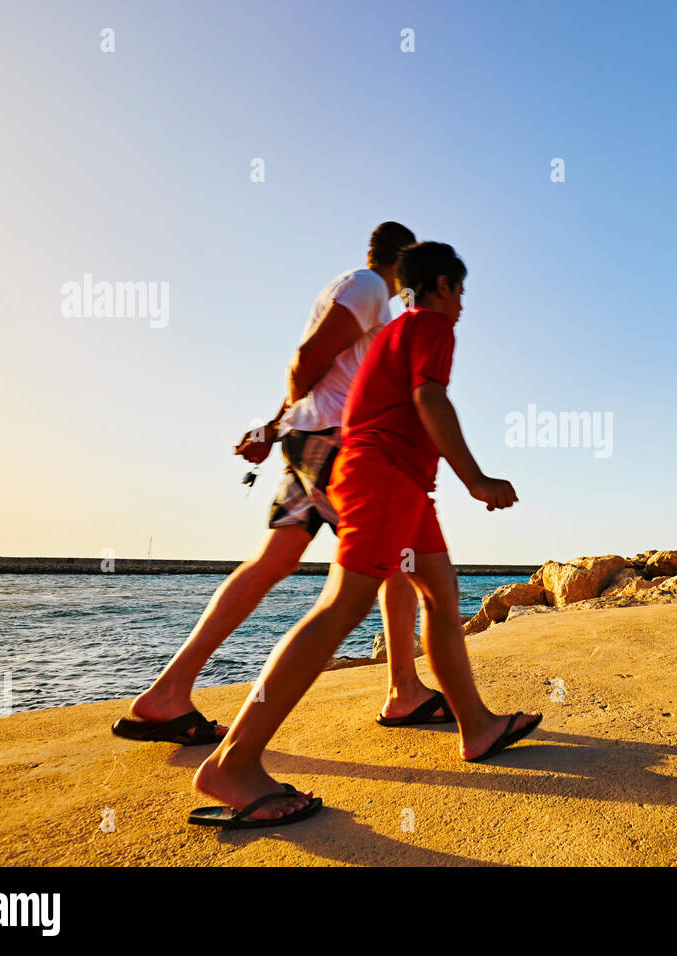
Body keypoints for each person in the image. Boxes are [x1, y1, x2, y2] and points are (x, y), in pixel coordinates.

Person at [188, 241, 540, 827]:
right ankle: (234, 762)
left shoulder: (394, 332)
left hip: (404, 486)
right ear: (445, 286)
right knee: (340, 607)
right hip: (383, 481)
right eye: (462, 293)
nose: (462, 306)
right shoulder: (429, 325)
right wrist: (477, 479)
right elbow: (430, 397)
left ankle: (475, 727)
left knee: (442, 594)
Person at [113, 222, 454, 747]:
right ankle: (401, 691)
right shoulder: (365, 289)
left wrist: (276, 428)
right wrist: (278, 427)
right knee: (397, 562)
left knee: (274, 564)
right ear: (403, 260)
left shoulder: (352, 289)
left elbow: (310, 371)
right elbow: (306, 362)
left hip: (308, 437)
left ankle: (167, 693)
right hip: (337, 443)